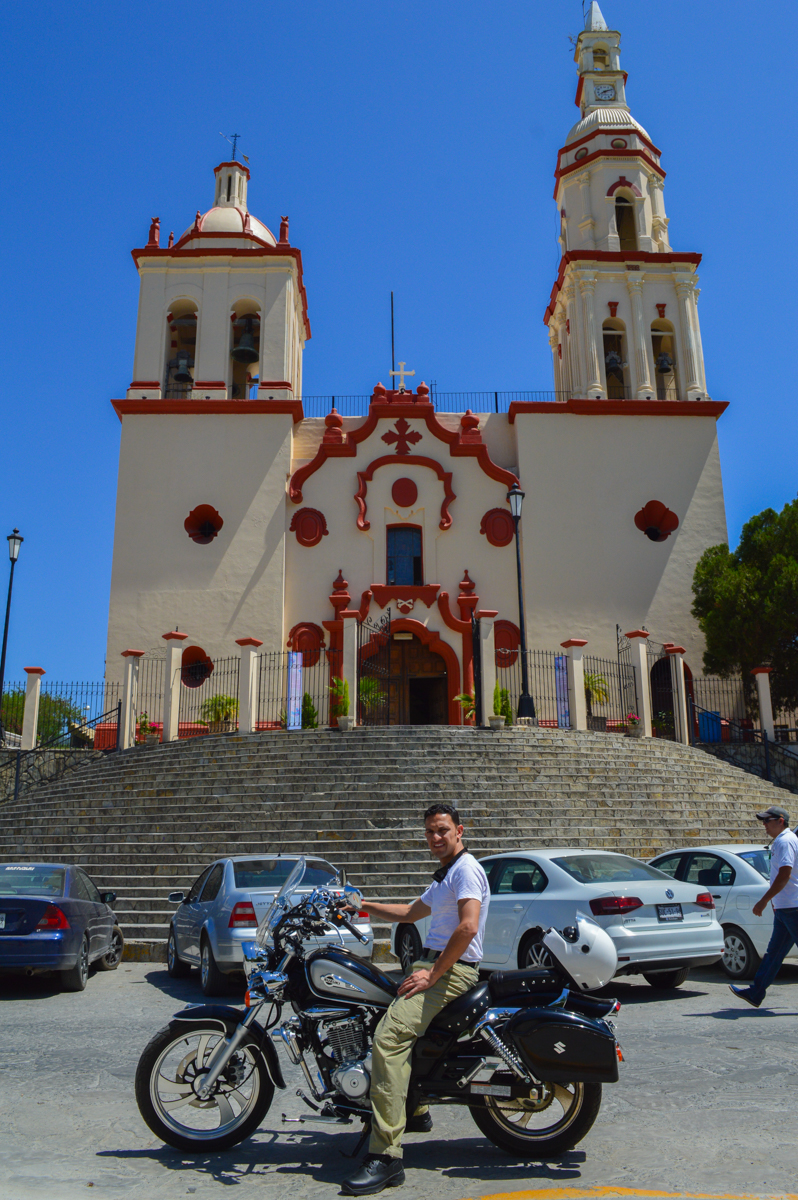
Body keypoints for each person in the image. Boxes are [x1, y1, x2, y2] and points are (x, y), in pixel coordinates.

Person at [341, 802, 489, 1196]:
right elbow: (408, 912)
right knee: (375, 1013)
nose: (435, 838)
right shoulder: (445, 877)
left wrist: (433, 973)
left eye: (442, 830)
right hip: (434, 964)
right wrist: (361, 905)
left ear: (460, 831)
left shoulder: (467, 870)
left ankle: (387, 1157)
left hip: (451, 970)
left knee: (388, 1040)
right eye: (429, 832)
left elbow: (468, 926)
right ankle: (414, 1108)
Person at [729, 804, 798, 1008]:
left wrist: (763, 900)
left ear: (780, 821)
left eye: (767, 821)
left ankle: (756, 991)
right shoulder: (783, 841)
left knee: (774, 953)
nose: (764, 825)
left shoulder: (785, 841)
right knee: (774, 954)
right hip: (786, 908)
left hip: (793, 908)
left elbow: (784, 875)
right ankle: (756, 992)